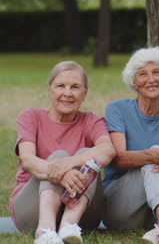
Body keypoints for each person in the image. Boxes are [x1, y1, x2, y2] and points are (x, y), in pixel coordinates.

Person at [9, 61, 116, 244]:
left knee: (87, 154)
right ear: (50, 89)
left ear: (84, 92)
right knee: (59, 155)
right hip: (31, 211)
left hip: (81, 217)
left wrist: (69, 163)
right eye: (60, 86)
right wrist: (61, 172)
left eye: (75, 87)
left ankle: (68, 226)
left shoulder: (92, 121)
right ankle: (44, 231)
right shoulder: (31, 117)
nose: (67, 93)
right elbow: (27, 159)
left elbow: (107, 151)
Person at [103, 46, 159, 244]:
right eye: (143, 74)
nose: (151, 79)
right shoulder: (117, 110)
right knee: (156, 153)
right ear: (134, 82)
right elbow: (118, 159)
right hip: (121, 210)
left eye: (156, 72)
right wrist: (155, 156)